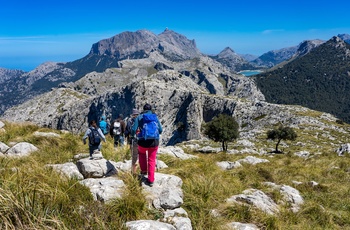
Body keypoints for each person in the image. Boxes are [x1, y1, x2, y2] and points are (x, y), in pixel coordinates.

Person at [131, 103, 163, 187]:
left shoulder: (139, 117)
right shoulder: (154, 117)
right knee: (151, 159)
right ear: (150, 109)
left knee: (141, 154)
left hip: (143, 141)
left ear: (143, 109)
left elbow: (134, 129)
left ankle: (144, 170)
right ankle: (151, 180)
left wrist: (132, 135)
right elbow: (160, 130)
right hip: (154, 142)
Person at [125, 108, 140, 175]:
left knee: (133, 155)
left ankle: (133, 172)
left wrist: (126, 137)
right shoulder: (141, 120)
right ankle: (139, 164)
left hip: (132, 140)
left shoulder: (130, 121)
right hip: (141, 140)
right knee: (140, 154)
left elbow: (127, 131)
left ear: (132, 114)